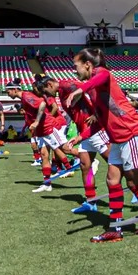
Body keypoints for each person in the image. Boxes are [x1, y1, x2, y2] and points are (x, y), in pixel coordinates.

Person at [65, 48, 138, 243]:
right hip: (117, 138)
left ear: (87, 64)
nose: (74, 70)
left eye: (76, 66)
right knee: (112, 180)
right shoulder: (92, 88)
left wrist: (78, 90)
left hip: (131, 133)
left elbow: (98, 78)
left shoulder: (103, 74)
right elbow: (100, 119)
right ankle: (116, 228)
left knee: (133, 183)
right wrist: (80, 137)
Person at [6, 75, 73, 193]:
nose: (7, 94)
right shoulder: (24, 98)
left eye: (8, 91)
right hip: (42, 130)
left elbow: (42, 104)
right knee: (43, 155)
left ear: (15, 89)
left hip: (49, 127)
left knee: (65, 149)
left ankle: (91, 161)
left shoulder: (26, 96)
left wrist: (36, 122)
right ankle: (47, 184)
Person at [55, 78, 111, 214]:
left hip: (96, 131)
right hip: (84, 133)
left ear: (49, 85)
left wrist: (96, 114)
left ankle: (136, 188)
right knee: (85, 166)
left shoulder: (66, 85)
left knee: (115, 163)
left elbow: (91, 88)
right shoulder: (61, 93)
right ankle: (91, 201)